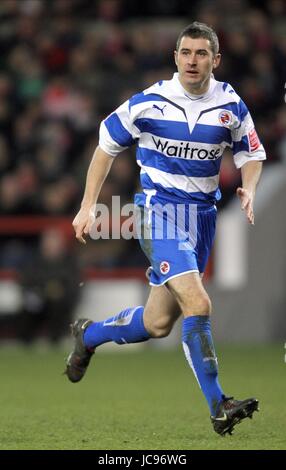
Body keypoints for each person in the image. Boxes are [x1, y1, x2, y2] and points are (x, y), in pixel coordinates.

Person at [64, 22, 264, 435]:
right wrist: (87, 206)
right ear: (175, 57)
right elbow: (106, 146)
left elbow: (252, 153)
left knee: (157, 323)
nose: (193, 61)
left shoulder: (231, 105)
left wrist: (249, 187)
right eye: (186, 53)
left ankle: (89, 335)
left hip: (202, 220)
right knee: (199, 304)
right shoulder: (150, 102)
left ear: (215, 60)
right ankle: (219, 405)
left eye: (201, 54)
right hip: (157, 215)